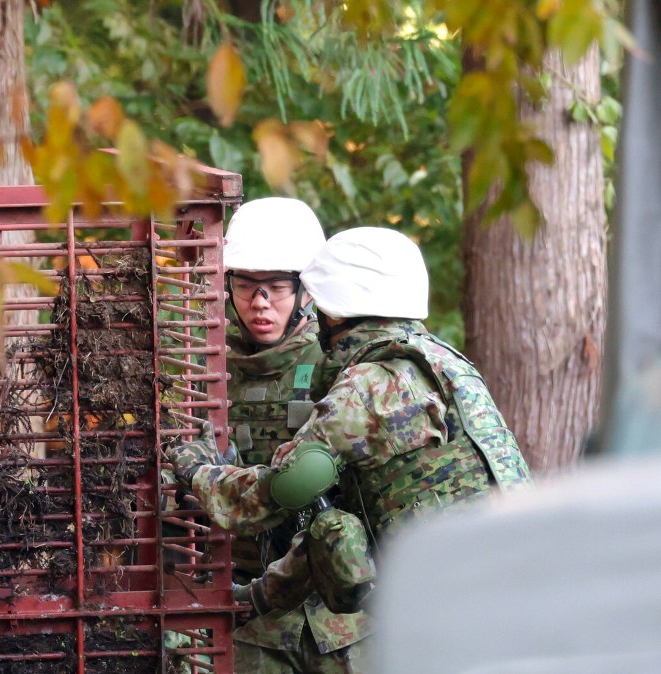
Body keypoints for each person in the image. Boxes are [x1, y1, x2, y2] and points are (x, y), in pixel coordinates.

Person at [166, 227, 532, 619]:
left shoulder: (366, 386)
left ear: (336, 313)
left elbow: (281, 492)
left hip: (448, 596)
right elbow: (331, 517)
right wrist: (260, 596)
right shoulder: (449, 364)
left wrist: (198, 471)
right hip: (519, 572)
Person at [214, 198, 369, 673]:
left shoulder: (342, 364)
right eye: (246, 285)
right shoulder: (207, 368)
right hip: (250, 609)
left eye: (277, 287)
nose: (260, 302)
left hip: (342, 609)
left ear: (306, 291)